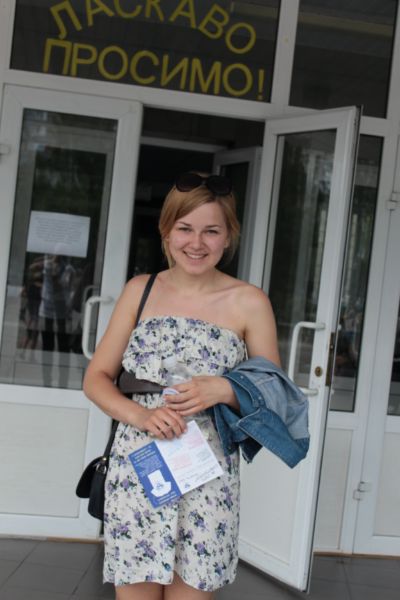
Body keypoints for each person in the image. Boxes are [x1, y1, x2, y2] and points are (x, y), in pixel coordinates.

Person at [83, 171, 281, 600]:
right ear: (166, 231)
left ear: (229, 236)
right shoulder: (140, 291)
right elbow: (96, 378)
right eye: (185, 228)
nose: (197, 243)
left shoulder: (249, 301)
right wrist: (142, 415)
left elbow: (273, 392)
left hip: (208, 475)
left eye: (212, 231)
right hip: (140, 468)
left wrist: (225, 390)